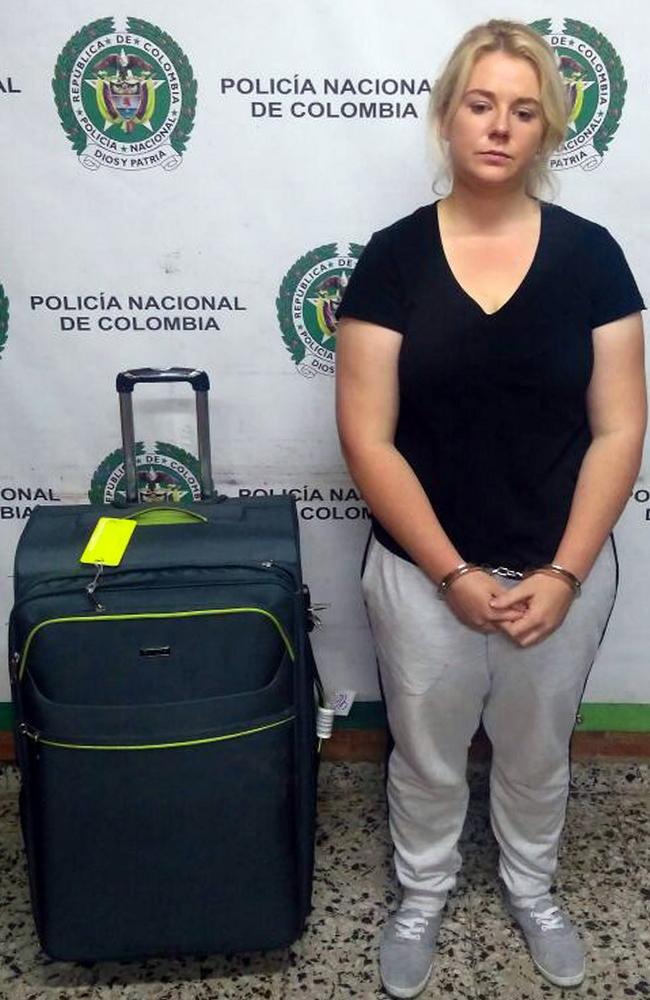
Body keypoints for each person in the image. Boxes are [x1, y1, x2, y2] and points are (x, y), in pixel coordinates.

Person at [335, 19, 646, 999]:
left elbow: (617, 429)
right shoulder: (389, 261)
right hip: (424, 573)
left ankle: (531, 885)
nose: (499, 127)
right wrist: (453, 575)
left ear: (546, 129)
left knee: (534, 747)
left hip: (558, 569)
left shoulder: (592, 258)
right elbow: (366, 437)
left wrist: (558, 572)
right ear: (446, 116)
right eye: (480, 105)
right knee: (425, 753)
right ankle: (420, 893)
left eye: (522, 110)